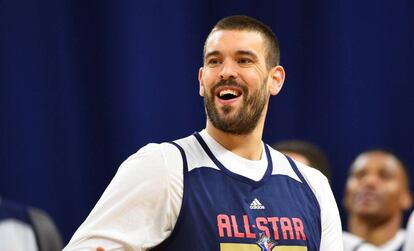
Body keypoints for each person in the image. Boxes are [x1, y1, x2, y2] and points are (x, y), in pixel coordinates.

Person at [64, 15, 343, 250]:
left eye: (244, 60)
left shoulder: (312, 186)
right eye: (214, 61)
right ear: (201, 80)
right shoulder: (162, 166)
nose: (226, 71)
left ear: (275, 79)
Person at [343, 149, 412, 251]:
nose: (369, 182)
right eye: (360, 175)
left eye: (384, 176)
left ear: (406, 198)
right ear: (346, 195)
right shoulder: (321, 245)